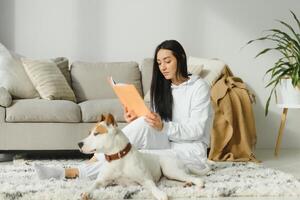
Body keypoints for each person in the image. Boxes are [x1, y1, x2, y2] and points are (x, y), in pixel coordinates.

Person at [35, 39, 213, 180]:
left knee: (132, 156)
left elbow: (197, 131)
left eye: (167, 61)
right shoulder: (163, 88)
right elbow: (157, 125)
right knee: (143, 122)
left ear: (181, 58)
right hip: (167, 141)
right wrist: (138, 119)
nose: (163, 67)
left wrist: (163, 127)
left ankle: (73, 172)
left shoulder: (199, 88)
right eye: (159, 63)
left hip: (189, 152)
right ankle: (93, 160)